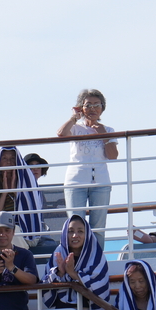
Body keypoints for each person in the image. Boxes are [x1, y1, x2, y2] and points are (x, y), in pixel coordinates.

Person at [56, 89, 119, 235]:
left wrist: (104, 135)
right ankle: (76, 251)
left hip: (101, 182)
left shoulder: (108, 130)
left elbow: (113, 155)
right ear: (81, 108)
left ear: (102, 108)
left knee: (98, 227)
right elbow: (61, 134)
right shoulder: (75, 128)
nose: (93, 109)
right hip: (76, 181)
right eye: (88, 105)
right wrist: (74, 117)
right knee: (74, 225)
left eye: (97, 105)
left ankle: (96, 251)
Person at [41, 213, 110, 310]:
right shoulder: (58, 252)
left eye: (80, 231)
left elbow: (100, 284)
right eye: (70, 231)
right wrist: (60, 272)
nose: (75, 235)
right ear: (65, 233)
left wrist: (73, 274)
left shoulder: (96, 254)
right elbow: (45, 283)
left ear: (87, 234)